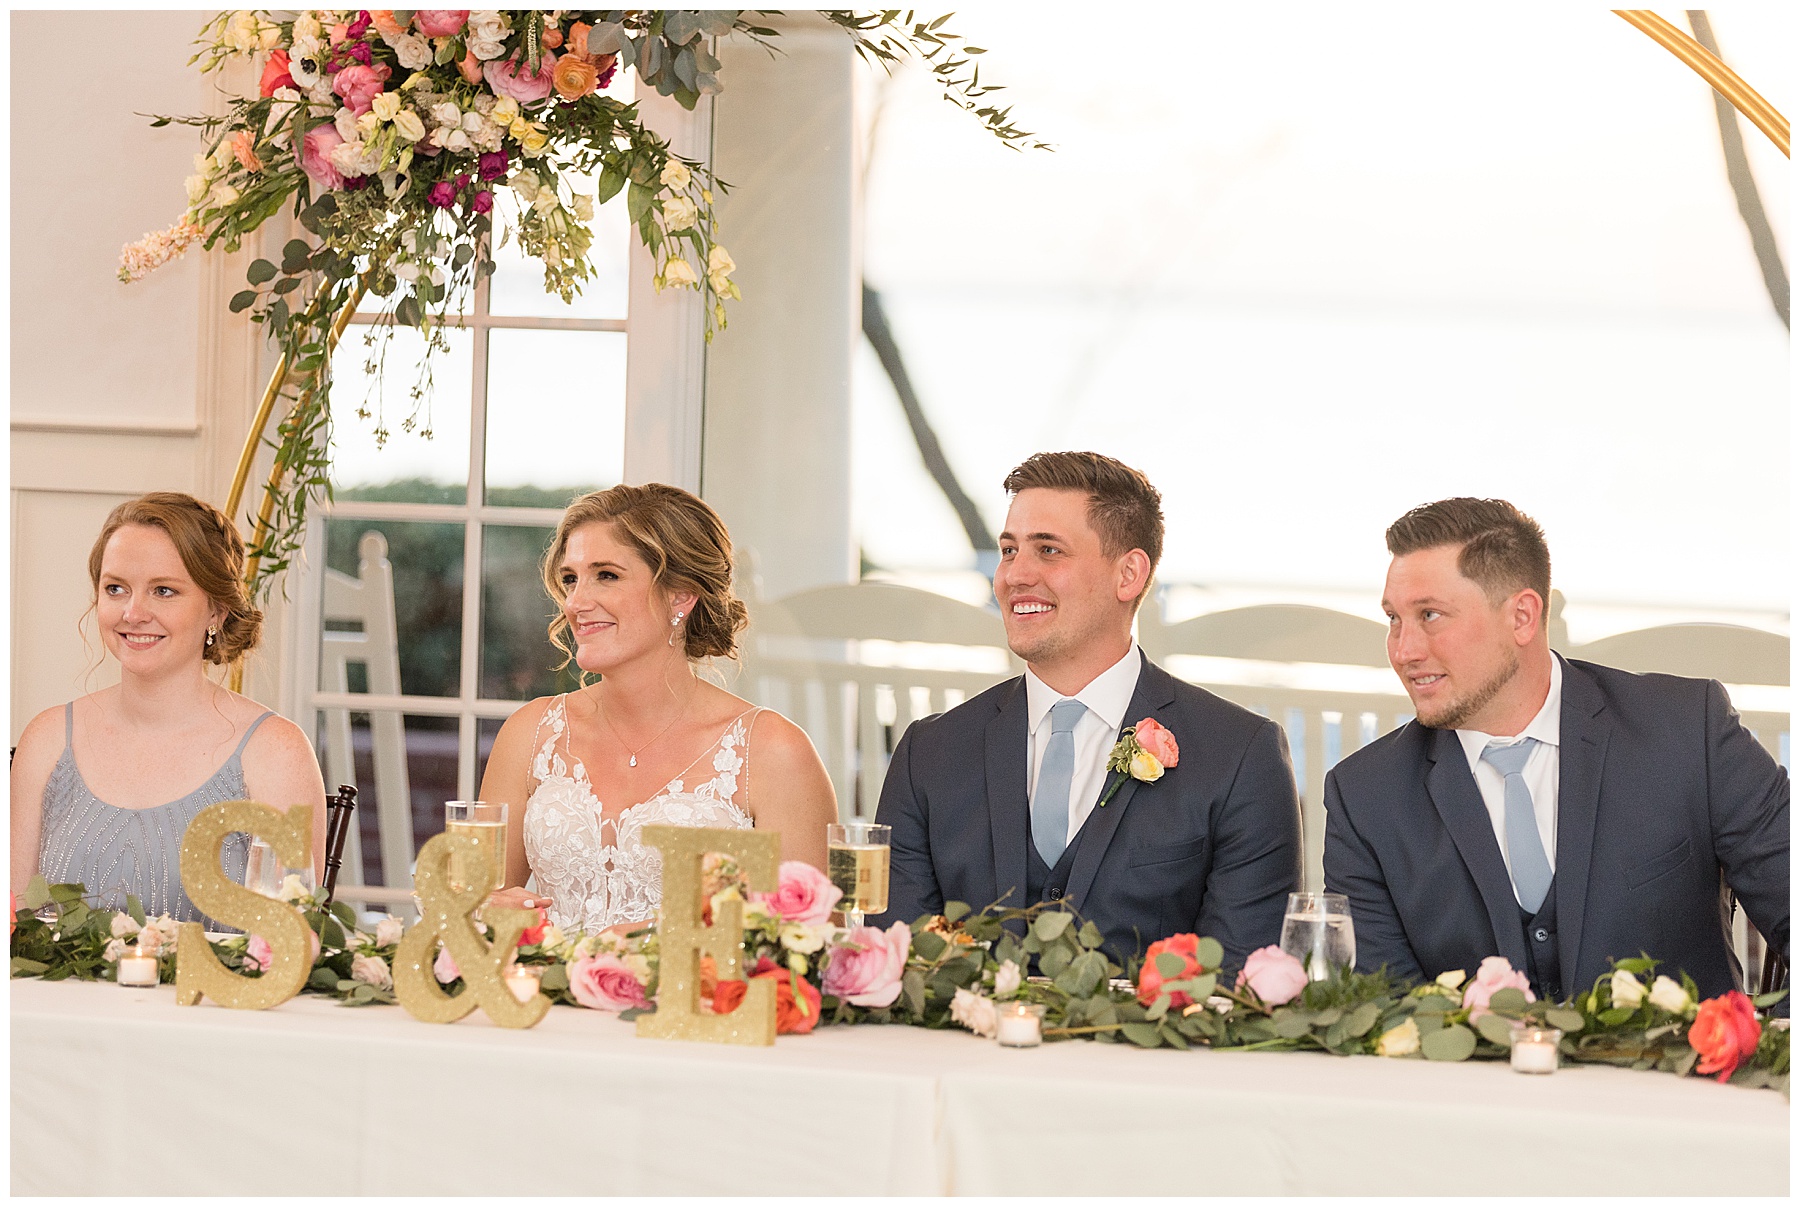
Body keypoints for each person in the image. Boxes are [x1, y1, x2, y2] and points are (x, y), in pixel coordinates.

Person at [1323, 498, 1789, 1001]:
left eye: (1430, 615)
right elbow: (1386, 1015)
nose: (1403, 649)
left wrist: (1762, 1052)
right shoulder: (1363, 797)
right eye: (1394, 618)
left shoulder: (1687, 731)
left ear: (1522, 616)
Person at [871, 452, 1302, 967]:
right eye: (1008, 551)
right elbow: (896, 962)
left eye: (1048, 550)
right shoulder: (930, 752)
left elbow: (1241, 980)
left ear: (1129, 574)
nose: (1014, 576)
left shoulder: (1239, 755)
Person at [479, 483, 837, 935]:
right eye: (571, 579)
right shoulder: (530, 733)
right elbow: (473, 912)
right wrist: (490, 914)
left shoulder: (772, 752)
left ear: (680, 596)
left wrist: (658, 940)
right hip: (544, 1002)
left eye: (606, 575)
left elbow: (816, 942)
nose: (575, 604)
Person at [10, 492, 327, 924]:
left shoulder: (276, 752)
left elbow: (288, 944)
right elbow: (13, 924)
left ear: (216, 608)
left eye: (164, 591)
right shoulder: (46, 739)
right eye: (115, 588)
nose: (134, 612)